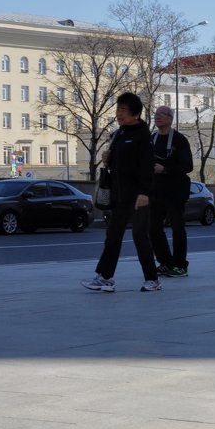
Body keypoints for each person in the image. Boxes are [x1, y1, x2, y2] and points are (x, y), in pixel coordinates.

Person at [81, 92, 161, 293]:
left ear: (135, 113)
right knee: (113, 235)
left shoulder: (142, 135)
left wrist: (144, 193)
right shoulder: (119, 134)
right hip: (119, 194)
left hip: (138, 195)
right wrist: (108, 158)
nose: (118, 114)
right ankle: (106, 278)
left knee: (139, 235)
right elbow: (116, 164)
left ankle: (152, 279)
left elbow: (146, 166)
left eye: (123, 110)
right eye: (117, 110)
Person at [148, 105, 194, 278]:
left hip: (175, 190)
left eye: (161, 114)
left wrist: (165, 169)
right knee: (153, 228)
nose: (157, 117)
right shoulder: (151, 140)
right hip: (155, 190)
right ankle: (165, 262)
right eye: (156, 114)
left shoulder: (179, 140)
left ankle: (180, 265)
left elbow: (188, 166)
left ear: (170, 118)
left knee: (178, 228)